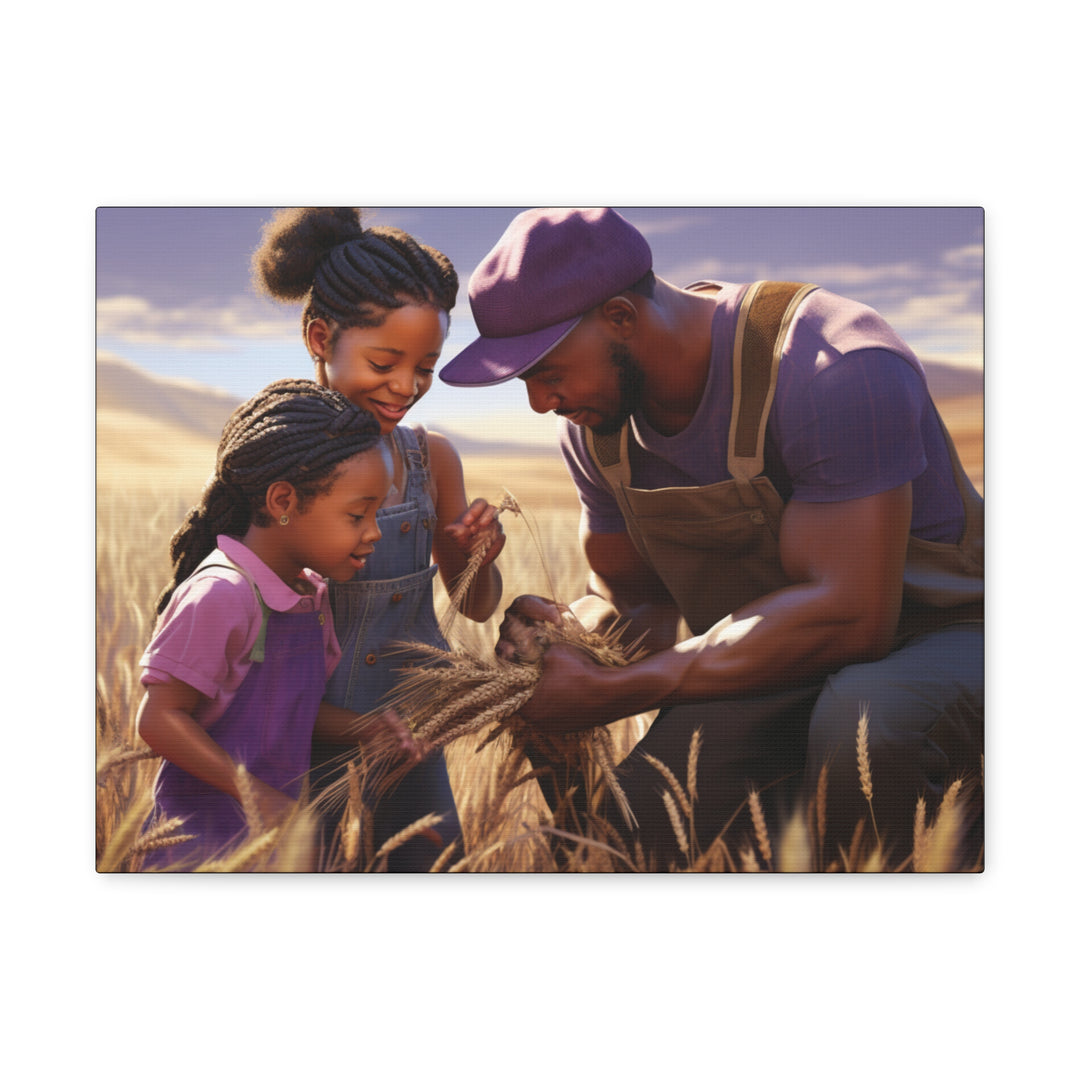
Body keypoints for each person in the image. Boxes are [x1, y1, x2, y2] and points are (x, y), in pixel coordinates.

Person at [439, 207, 984, 868]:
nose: (539, 403)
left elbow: (853, 622)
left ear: (620, 317)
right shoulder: (595, 426)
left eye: (547, 370)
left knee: (865, 725)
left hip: (942, 637)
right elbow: (632, 604)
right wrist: (564, 643)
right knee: (629, 837)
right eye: (526, 381)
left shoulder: (833, 364)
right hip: (771, 661)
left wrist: (612, 693)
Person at [251, 208, 506, 871]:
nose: (406, 388)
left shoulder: (432, 460)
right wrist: (346, 728)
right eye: (384, 361)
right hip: (307, 730)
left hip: (412, 724)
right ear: (319, 338)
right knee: (312, 866)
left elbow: (473, 604)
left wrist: (472, 553)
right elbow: (250, 636)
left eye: (424, 367)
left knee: (434, 857)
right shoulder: (280, 467)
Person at [137, 379, 413, 870]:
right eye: (357, 514)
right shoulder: (223, 593)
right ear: (283, 502)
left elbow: (291, 709)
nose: (374, 532)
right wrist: (258, 796)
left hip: (272, 851)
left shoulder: (310, 595)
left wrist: (366, 730)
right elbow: (159, 719)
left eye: (378, 512)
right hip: (196, 849)